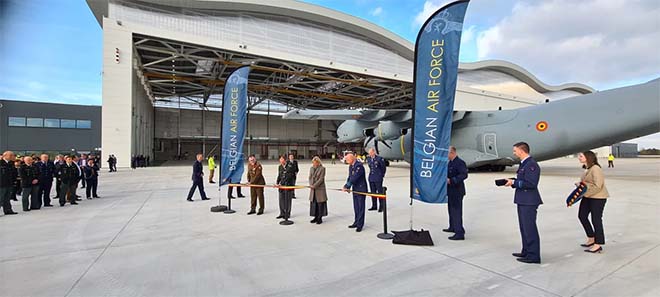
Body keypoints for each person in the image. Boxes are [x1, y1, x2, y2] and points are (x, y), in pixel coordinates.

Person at [504, 142, 543, 264]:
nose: (514, 153)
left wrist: (514, 183)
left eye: (515, 150)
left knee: (529, 228)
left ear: (522, 151)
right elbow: (523, 180)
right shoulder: (524, 164)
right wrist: (512, 181)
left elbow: (531, 184)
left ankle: (534, 256)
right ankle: (526, 250)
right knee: (524, 227)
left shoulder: (531, 165)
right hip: (523, 199)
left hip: (529, 201)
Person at [577, 151, 609, 253]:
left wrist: (585, 193)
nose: (579, 157)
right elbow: (587, 183)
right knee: (582, 216)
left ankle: (598, 244)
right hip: (588, 197)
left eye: (581, 156)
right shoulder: (587, 168)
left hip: (598, 197)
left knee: (596, 219)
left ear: (588, 157)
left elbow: (598, 185)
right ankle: (591, 238)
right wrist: (580, 184)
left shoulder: (596, 168)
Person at [444, 146, 468, 240]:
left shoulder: (460, 162)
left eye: (447, 153)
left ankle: (459, 233)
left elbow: (464, 175)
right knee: (451, 209)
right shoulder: (450, 163)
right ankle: (452, 226)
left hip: (457, 190)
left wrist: (452, 180)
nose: (446, 155)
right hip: (450, 190)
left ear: (452, 153)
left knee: (456, 211)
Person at [343, 152, 367, 232]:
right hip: (355, 189)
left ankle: (360, 225)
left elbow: (355, 177)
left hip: (361, 189)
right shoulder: (351, 166)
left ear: (352, 159)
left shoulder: (359, 166)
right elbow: (350, 177)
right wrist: (347, 186)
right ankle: (356, 222)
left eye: (347, 159)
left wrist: (347, 186)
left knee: (361, 208)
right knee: (356, 207)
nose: (346, 161)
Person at [276, 155, 296, 221]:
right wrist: (277, 182)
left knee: (288, 201)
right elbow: (279, 175)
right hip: (281, 186)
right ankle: (282, 213)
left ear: (285, 160)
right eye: (280, 160)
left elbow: (289, 176)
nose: (281, 162)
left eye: (282, 160)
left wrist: (281, 183)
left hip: (288, 185)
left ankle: (287, 214)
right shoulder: (280, 167)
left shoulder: (290, 166)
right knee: (281, 200)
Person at [308, 156, 328, 224]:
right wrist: (311, 184)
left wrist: (314, 185)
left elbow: (321, 179)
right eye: (313, 162)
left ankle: (319, 218)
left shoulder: (322, 169)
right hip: (313, 189)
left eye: (315, 162)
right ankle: (315, 217)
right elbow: (310, 177)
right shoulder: (311, 168)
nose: (314, 164)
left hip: (320, 189)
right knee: (314, 204)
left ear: (318, 162)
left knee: (320, 204)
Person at [366, 148, 386, 212]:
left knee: (379, 193)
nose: (370, 154)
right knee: (373, 193)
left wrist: (381, 175)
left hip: (378, 178)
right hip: (371, 178)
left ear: (374, 152)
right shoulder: (369, 159)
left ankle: (381, 206)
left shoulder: (379, 159)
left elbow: (383, 168)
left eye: (371, 153)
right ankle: (374, 206)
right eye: (369, 153)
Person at [0, 151, 19, 215]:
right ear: (5, 156)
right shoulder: (1, 163)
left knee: (7, 198)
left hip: (9, 183)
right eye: (10, 155)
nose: (12, 156)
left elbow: (14, 174)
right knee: (1, 198)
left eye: (12, 155)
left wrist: (14, 181)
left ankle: (8, 210)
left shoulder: (11, 163)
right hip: (1, 184)